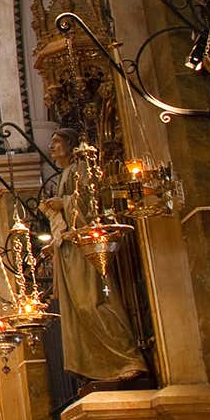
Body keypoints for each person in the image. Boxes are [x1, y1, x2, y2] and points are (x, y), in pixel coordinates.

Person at [44, 128, 147, 386]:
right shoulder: (65, 174)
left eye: (57, 142)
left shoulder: (80, 169)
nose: (52, 147)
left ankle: (128, 359)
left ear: (71, 145)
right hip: (70, 248)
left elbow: (91, 203)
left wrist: (63, 204)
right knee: (79, 308)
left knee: (94, 302)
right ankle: (98, 365)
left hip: (86, 245)